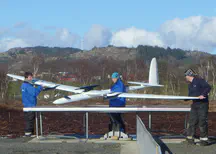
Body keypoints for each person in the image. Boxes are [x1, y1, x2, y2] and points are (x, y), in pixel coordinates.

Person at [185, 69, 211, 146]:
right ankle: (190, 138)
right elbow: (190, 95)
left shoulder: (199, 81)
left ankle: (204, 140)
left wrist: (203, 94)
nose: (185, 77)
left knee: (202, 122)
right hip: (195, 104)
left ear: (189, 75)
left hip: (202, 105)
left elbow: (208, 87)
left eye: (186, 76)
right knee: (192, 121)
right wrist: (184, 98)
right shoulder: (190, 85)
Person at [21, 72, 43, 136]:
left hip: (26, 105)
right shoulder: (27, 85)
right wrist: (40, 87)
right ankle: (28, 133)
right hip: (30, 105)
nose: (31, 78)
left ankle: (30, 133)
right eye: (30, 77)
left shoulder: (24, 84)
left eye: (31, 77)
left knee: (29, 119)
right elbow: (34, 93)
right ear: (26, 77)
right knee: (30, 119)